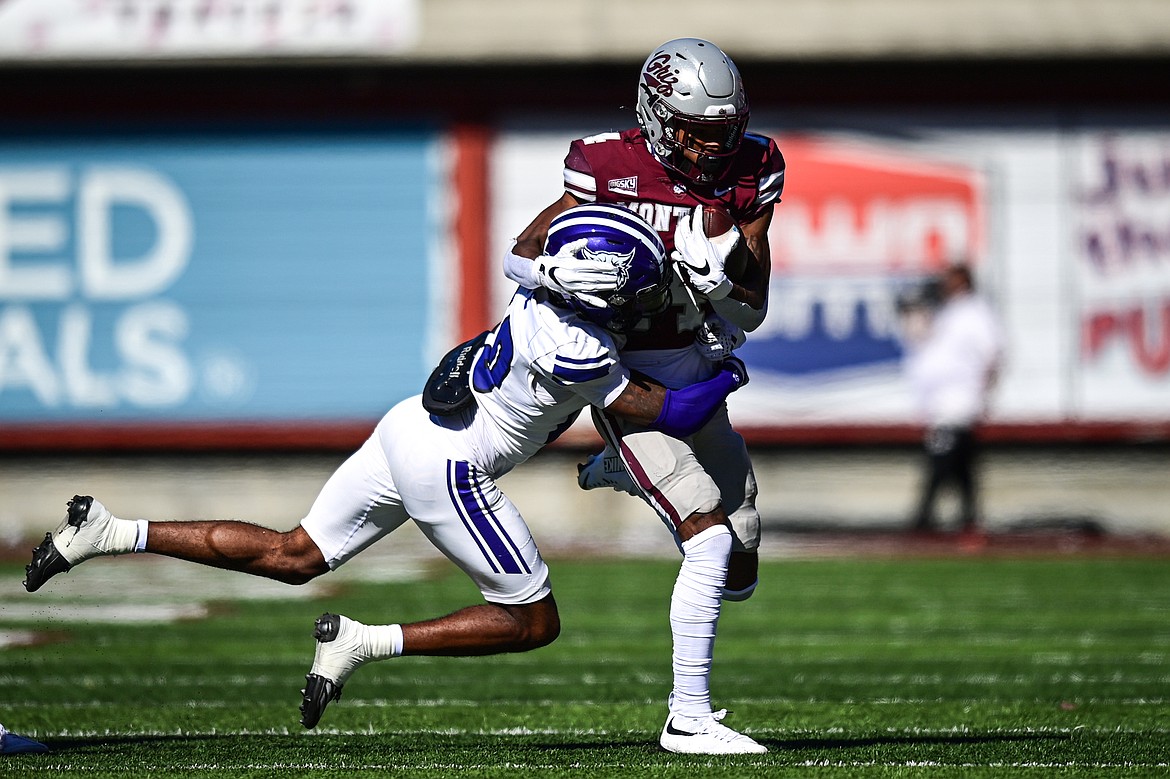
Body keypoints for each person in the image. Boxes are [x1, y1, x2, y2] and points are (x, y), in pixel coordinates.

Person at [22, 204, 760, 753]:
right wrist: (727, 366)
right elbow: (673, 407)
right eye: (632, 292)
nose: (645, 301)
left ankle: (112, 530)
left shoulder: (542, 288)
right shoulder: (583, 345)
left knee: (294, 554)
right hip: (451, 468)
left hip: (409, 424)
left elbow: (537, 246)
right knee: (534, 621)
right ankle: (365, 641)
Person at [500, 38, 783, 753]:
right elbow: (520, 254)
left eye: (725, 130)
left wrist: (719, 278)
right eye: (698, 131)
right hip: (629, 377)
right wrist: (561, 277)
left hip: (696, 359)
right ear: (658, 117)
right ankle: (689, 716)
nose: (714, 147)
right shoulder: (605, 167)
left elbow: (753, 309)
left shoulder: (753, 169)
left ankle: (619, 470)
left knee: (743, 553)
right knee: (708, 537)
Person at [902, 263, 1003, 536]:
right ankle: (969, 519)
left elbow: (992, 354)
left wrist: (982, 393)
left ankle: (924, 519)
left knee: (942, 459)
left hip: (957, 400)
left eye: (951, 279)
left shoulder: (974, 312)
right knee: (960, 464)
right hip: (942, 402)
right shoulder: (950, 312)